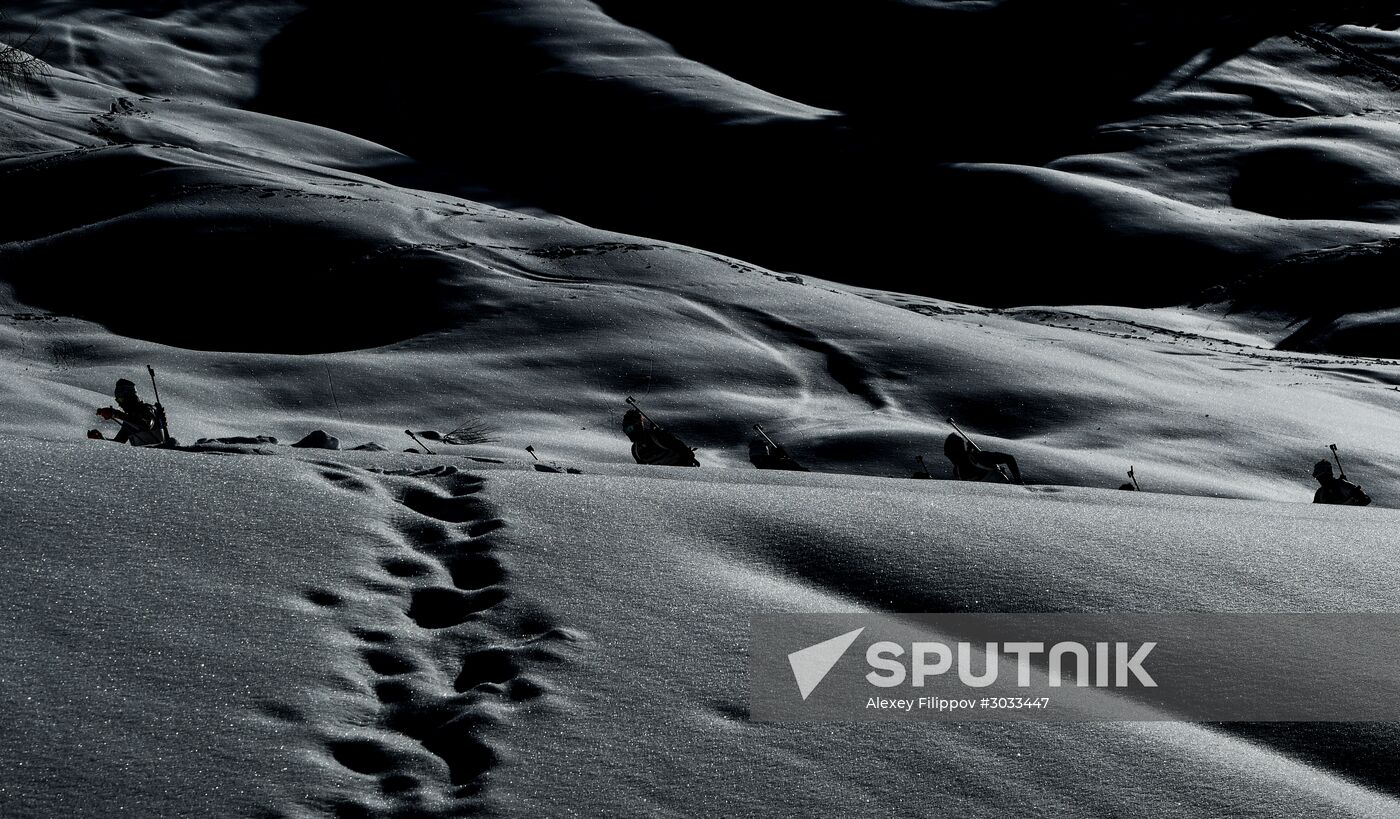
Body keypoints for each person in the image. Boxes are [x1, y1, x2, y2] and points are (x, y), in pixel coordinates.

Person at [89, 378, 165, 446]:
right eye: (117, 400)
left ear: (130, 397)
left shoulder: (148, 409)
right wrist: (101, 439)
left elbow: (146, 425)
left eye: (120, 399)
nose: (119, 403)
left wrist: (116, 414)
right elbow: (118, 443)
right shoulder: (128, 421)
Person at [623, 408, 699, 467]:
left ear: (638, 425)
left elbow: (684, 451)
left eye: (630, 429)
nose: (627, 433)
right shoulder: (635, 450)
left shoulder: (657, 436)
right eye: (625, 430)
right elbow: (644, 471)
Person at [943, 432, 1022, 484]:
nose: (949, 457)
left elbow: (1009, 458)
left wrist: (1018, 481)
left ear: (958, 451)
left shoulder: (980, 457)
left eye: (950, 454)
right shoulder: (957, 471)